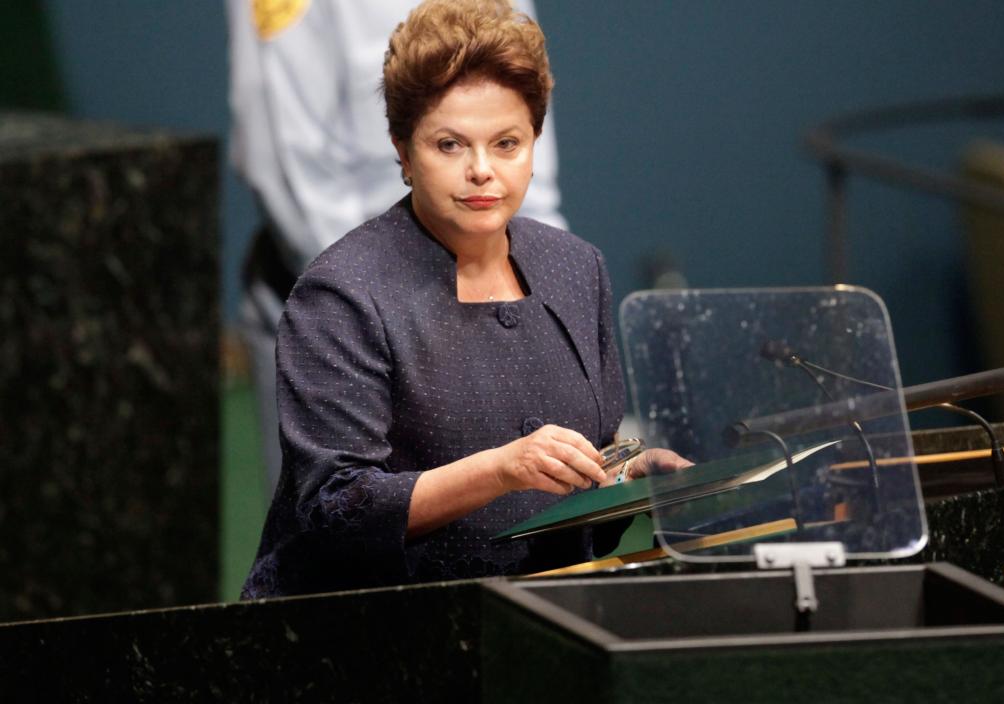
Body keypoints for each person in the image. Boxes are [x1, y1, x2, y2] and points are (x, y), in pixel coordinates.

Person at [242, 0, 688, 599]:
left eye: (507, 144)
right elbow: (337, 508)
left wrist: (628, 477)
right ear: (403, 151)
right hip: (373, 627)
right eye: (450, 145)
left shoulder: (577, 267)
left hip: (543, 615)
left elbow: (589, 466)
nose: (482, 170)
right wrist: (500, 470)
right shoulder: (341, 293)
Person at [227, 0, 568, 493]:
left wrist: (540, 311)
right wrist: (403, 323)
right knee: (350, 526)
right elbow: (292, 171)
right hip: (348, 316)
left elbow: (527, 154)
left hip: (487, 299)